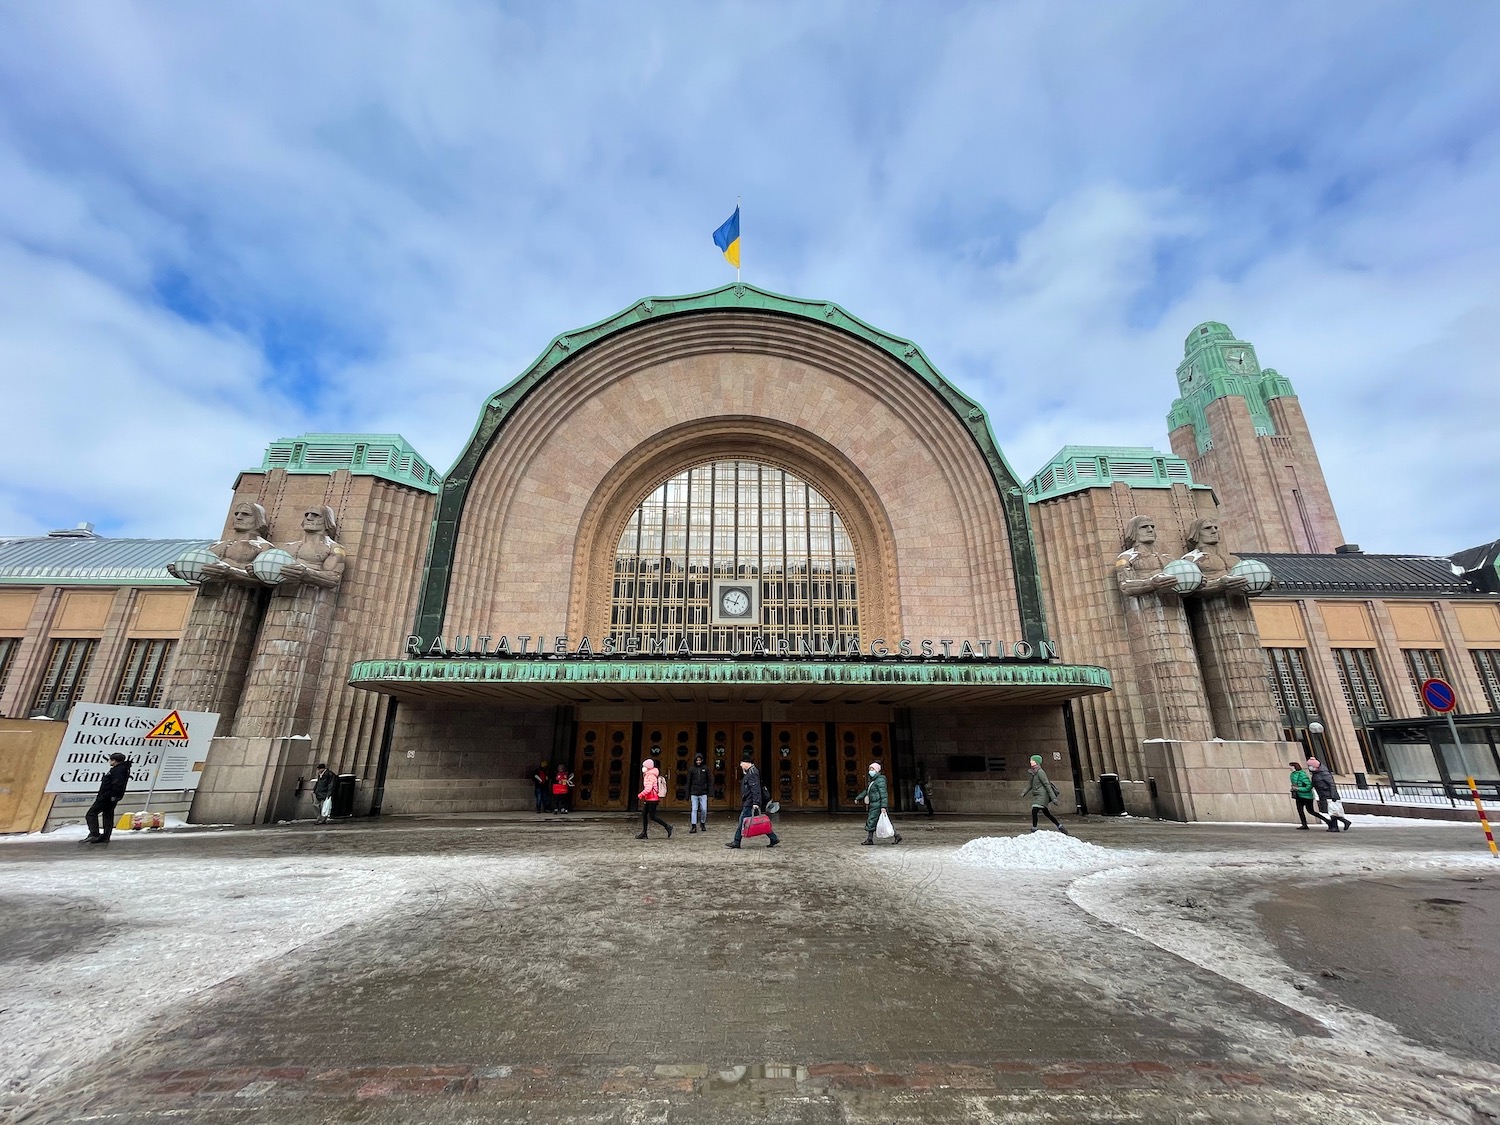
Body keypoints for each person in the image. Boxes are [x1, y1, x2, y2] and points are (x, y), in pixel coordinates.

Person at [726, 749, 779, 849]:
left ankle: (736, 842)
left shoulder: (752, 773)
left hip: (750, 802)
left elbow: (755, 789)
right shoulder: (750, 772)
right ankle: (773, 838)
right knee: (758, 822)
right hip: (749, 801)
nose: (741, 765)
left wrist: (756, 802)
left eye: (742, 763)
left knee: (742, 821)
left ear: (746, 763)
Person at [82, 753, 131, 845]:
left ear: (115, 761)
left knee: (91, 814)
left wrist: (113, 795)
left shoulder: (118, 770)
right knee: (108, 816)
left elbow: (117, 784)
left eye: (111, 760)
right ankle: (105, 836)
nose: (109, 762)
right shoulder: (122, 769)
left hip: (107, 797)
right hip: (110, 797)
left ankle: (94, 834)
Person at [855, 761, 901, 845]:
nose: (870, 771)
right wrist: (859, 797)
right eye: (869, 769)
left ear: (877, 770)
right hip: (874, 804)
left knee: (872, 820)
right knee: (878, 821)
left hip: (878, 804)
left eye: (872, 769)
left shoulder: (880, 780)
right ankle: (896, 836)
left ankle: (870, 839)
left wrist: (883, 806)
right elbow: (867, 791)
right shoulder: (873, 781)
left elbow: (883, 794)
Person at [1023, 755, 1069, 834]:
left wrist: (1053, 798)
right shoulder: (1033, 773)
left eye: (1032, 760)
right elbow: (1030, 784)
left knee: (1035, 810)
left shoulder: (1040, 772)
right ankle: (1059, 826)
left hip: (1042, 795)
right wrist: (1024, 792)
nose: (1030, 762)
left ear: (1037, 762)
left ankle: (1034, 828)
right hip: (1037, 795)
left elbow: (1047, 784)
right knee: (1047, 813)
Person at [1306, 757, 1351, 832]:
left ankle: (1337, 826)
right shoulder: (1316, 773)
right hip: (1323, 794)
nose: (1309, 767)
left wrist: (1333, 795)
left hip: (1328, 795)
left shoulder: (1324, 773)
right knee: (1330, 811)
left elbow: (1331, 784)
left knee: (1332, 811)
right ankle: (1341, 823)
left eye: (1310, 766)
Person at [637, 756, 672, 839]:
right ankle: (644, 832)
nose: (643, 768)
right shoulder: (649, 775)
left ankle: (667, 826)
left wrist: (640, 795)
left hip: (652, 799)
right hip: (649, 798)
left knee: (652, 816)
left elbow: (648, 789)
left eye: (644, 766)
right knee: (644, 814)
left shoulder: (650, 776)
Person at [1288, 761, 1330, 830]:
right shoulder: (1293, 774)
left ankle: (1327, 821)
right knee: (1300, 810)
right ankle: (1304, 824)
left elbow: (1309, 786)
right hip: (1298, 795)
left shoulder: (1302, 774)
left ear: (1294, 767)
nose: (1289, 768)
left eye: (1291, 766)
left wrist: (1299, 788)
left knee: (1311, 811)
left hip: (1306, 796)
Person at [687, 751, 711, 834]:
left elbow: (709, 781)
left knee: (704, 809)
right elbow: (688, 782)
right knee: (694, 809)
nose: (698, 762)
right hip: (694, 792)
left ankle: (702, 822)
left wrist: (710, 792)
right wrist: (687, 794)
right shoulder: (691, 770)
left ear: (702, 760)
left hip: (703, 792)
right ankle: (693, 825)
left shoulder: (706, 769)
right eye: (697, 760)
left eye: (700, 760)